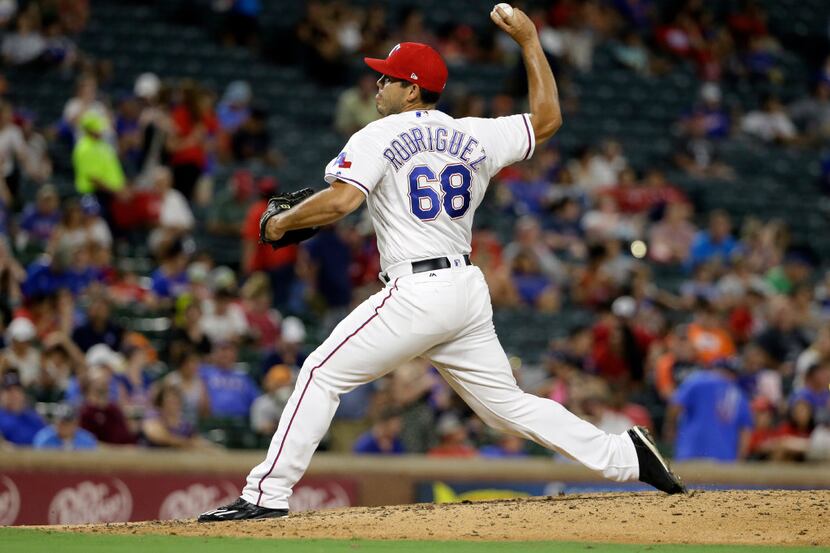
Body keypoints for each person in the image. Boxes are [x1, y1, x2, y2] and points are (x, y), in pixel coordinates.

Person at [199, 7, 685, 523]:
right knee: (507, 408)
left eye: (386, 78)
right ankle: (625, 455)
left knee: (320, 372)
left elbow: (341, 203)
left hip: (417, 289)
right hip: (463, 291)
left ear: (411, 90)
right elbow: (547, 120)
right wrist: (530, 40)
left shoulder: (376, 136)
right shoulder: (475, 134)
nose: (377, 85)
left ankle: (266, 495)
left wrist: (277, 226)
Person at [32, 403, 98, 450]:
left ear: (76, 423)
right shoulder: (44, 439)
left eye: (68, 423)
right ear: (55, 422)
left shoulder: (87, 440)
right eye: (61, 422)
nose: (64, 426)